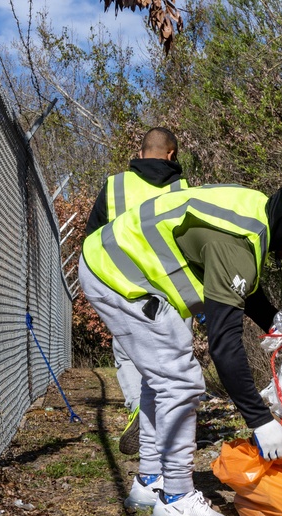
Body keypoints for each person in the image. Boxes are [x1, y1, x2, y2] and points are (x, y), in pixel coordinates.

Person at [78, 176, 282, 516]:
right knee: (181, 382)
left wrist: (276, 324)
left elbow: (240, 281)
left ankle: (149, 481)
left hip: (111, 261)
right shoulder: (236, 244)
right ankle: (176, 499)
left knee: (162, 377)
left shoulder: (255, 210)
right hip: (119, 276)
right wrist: (260, 421)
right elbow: (224, 344)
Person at [86, 127, 190, 456]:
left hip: (125, 287)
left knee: (128, 353)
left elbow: (93, 239)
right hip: (173, 288)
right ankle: (171, 421)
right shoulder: (183, 189)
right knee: (174, 357)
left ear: (141, 151)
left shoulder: (116, 186)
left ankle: (137, 408)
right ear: (171, 154)